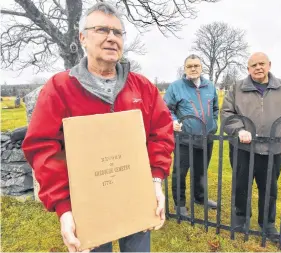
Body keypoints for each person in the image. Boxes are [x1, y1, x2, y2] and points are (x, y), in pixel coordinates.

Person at [22, 2, 174, 252]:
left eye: (117, 32)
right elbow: (43, 148)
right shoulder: (59, 88)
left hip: (136, 199)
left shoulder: (143, 87)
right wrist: (63, 207)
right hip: (87, 207)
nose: (112, 38)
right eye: (102, 30)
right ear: (82, 37)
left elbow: (161, 132)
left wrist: (156, 179)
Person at [221, 52, 281, 241]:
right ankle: (240, 219)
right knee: (241, 186)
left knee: (269, 188)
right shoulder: (236, 88)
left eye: (262, 64)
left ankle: (268, 223)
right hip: (243, 149)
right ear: (248, 69)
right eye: (254, 65)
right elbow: (227, 114)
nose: (258, 68)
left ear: (269, 65)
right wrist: (238, 130)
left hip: (273, 149)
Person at [164, 54, 219, 216]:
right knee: (180, 172)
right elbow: (167, 109)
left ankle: (200, 197)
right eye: (190, 66)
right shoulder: (176, 87)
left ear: (201, 68)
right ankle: (179, 203)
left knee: (201, 170)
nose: (193, 68)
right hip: (184, 138)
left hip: (206, 137)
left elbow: (215, 108)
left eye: (196, 65)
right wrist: (173, 121)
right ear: (185, 68)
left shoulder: (210, 86)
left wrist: (213, 124)